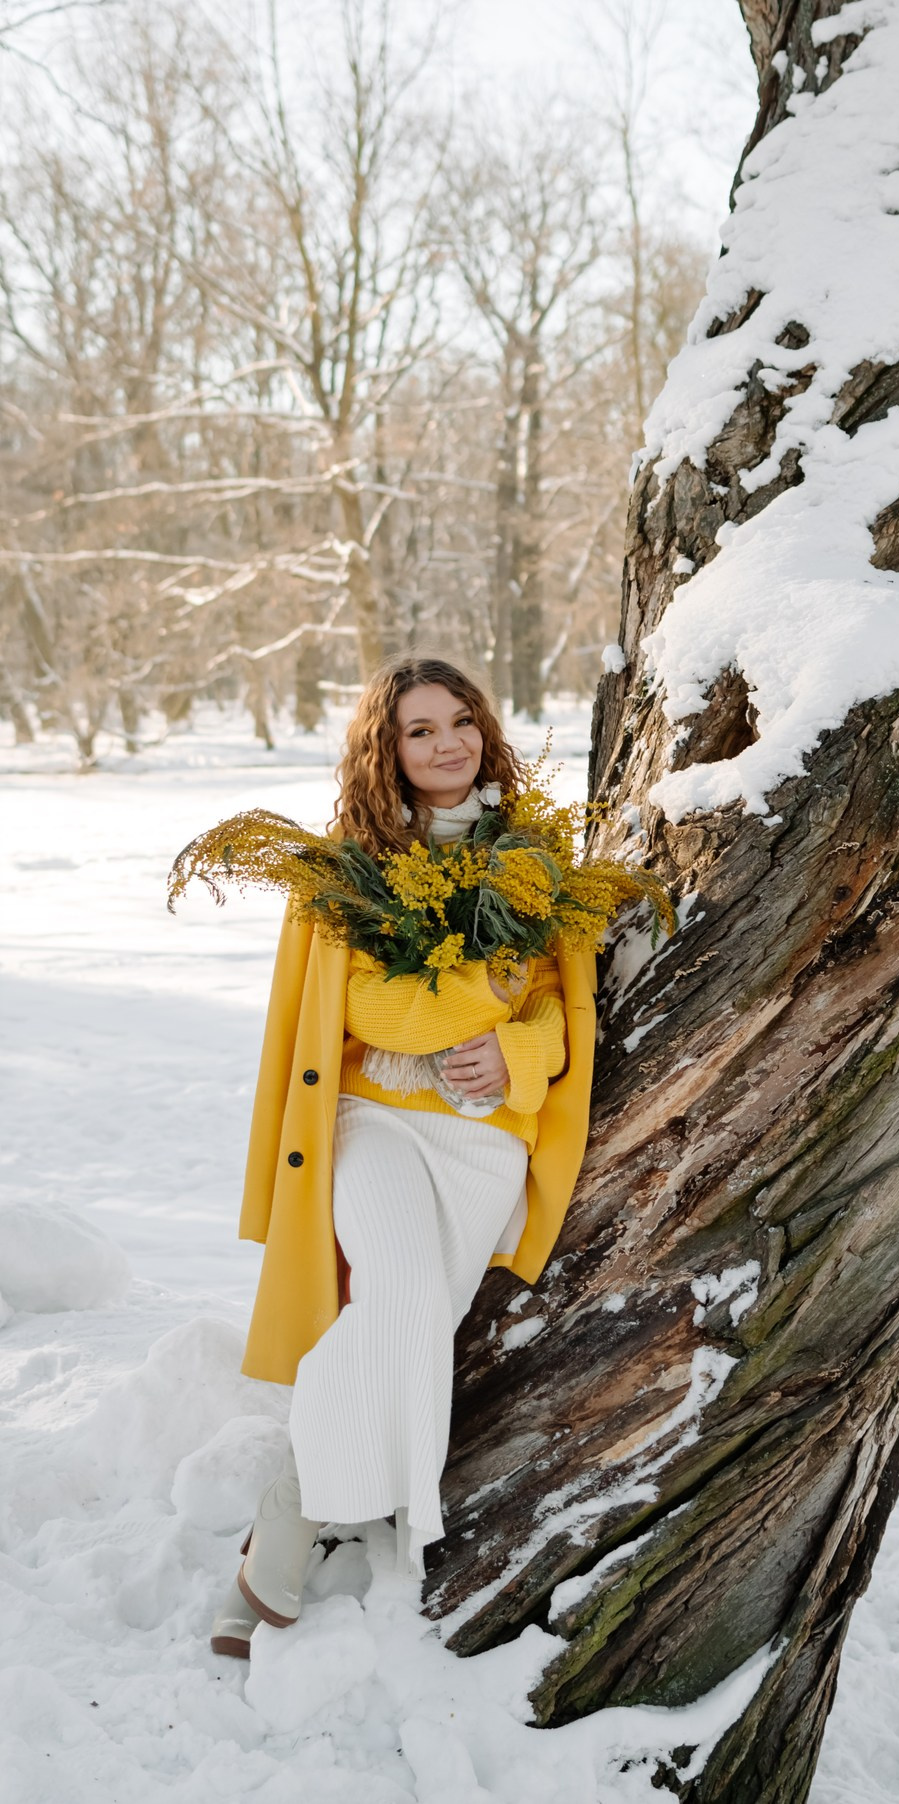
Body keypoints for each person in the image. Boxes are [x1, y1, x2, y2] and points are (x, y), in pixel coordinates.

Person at [209, 656, 596, 1658]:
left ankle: (319, 1509)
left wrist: (515, 1045)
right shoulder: (351, 862)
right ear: (386, 749)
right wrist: (491, 975)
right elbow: (374, 1007)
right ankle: (288, 1533)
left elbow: (555, 1007)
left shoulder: (533, 852)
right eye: (420, 729)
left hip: (483, 1139)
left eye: (461, 721)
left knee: (415, 1320)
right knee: (402, 1298)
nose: (447, 744)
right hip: (371, 1118)